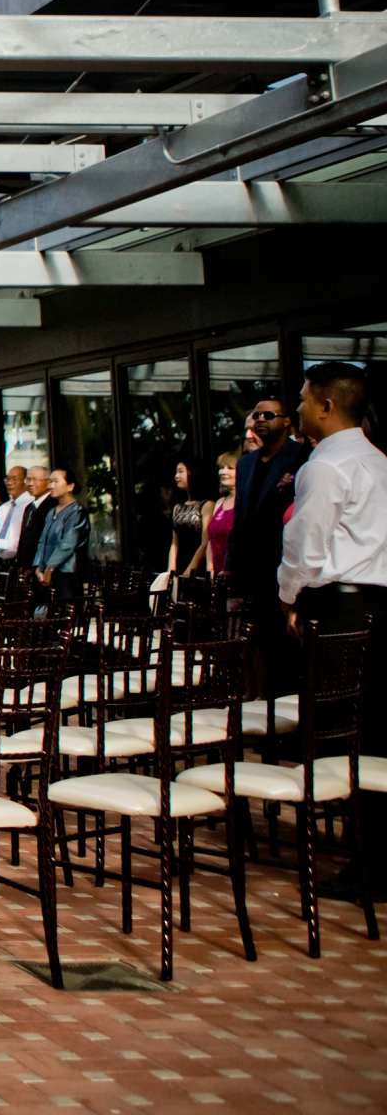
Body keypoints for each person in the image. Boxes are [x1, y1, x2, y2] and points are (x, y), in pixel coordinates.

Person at [278, 362, 387, 900]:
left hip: (339, 606)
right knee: (376, 729)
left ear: (325, 405)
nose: (297, 408)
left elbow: (305, 545)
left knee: (341, 731)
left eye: (301, 399)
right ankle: (373, 852)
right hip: (378, 603)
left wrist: (289, 597)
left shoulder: (325, 466)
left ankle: (363, 861)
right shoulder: (379, 460)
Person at [232, 392, 310, 696]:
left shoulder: (300, 456)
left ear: (287, 421)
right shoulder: (246, 463)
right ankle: (263, 704)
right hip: (251, 567)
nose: (261, 420)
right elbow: (241, 515)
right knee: (256, 643)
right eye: (257, 415)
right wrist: (232, 567)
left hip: (282, 561)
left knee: (285, 645)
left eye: (269, 415)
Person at [34, 468, 84, 614]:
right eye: (50, 481)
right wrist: (39, 567)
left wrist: (50, 567)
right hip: (46, 574)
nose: (51, 485)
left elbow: (68, 544)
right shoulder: (51, 512)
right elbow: (42, 541)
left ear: (70, 486)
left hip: (66, 573)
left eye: (56, 481)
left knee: (65, 616)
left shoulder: (77, 512)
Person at [185, 453, 237, 581]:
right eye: (221, 467)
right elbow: (210, 541)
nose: (223, 471)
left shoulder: (245, 502)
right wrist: (210, 570)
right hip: (216, 578)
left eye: (230, 468)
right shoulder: (220, 502)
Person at [161, 456, 208, 577]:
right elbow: (174, 543)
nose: (176, 476)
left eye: (181, 471)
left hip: (198, 571)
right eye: (176, 472)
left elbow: (205, 543)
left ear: (193, 473)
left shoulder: (207, 505)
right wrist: (170, 572)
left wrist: (189, 572)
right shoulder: (177, 507)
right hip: (180, 569)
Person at [0, 464, 40, 569]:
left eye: (14, 479)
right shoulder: (2, 509)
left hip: (22, 564)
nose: (9, 483)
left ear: (25, 481)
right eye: (7, 479)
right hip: (1, 564)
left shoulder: (31, 506)